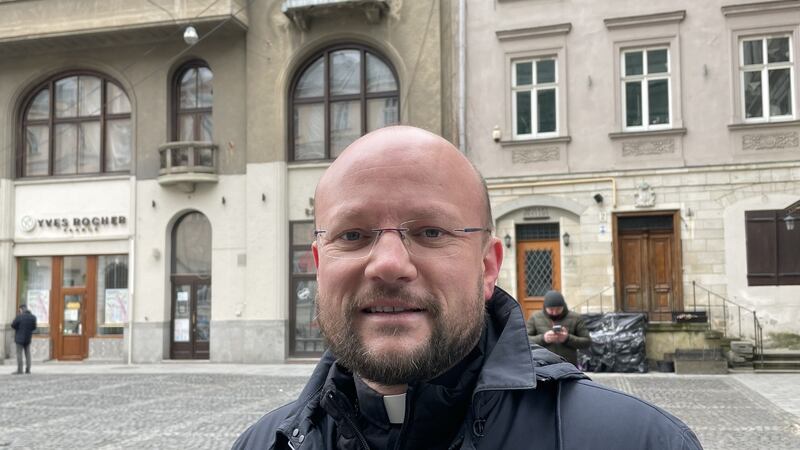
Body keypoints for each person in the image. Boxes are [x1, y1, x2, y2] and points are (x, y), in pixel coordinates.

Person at [234, 126, 702, 449]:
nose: (389, 264)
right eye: (352, 235)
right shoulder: (261, 446)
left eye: (431, 232)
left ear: (487, 267)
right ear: (320, 265)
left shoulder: (639, 443)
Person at [526, 290, 591, 366]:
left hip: (568, 365)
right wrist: (543, 338)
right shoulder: (535, 317)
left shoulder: (576, 317)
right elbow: (525, 340)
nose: (554, 312)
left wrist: (567, 338)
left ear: (563, 307)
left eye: (558, 309)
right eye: (551, 310)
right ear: (545, 307)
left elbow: (587, 342)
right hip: (543, 364)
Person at [11, 304, 37, 375]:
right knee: (28, 354)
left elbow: (13, 325)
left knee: (19, 354)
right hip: (28, 338)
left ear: (21, 309)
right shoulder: (33, 317)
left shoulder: (19, 317)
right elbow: (34, 327)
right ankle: (28, 369)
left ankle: (20, 370)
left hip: (19, 338)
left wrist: (18, 328)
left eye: (19, 310)